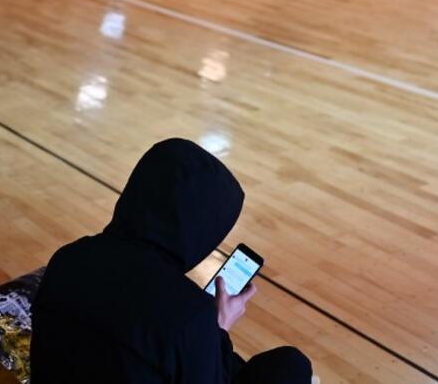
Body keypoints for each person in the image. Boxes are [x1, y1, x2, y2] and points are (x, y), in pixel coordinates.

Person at [31, 138, 312, 383]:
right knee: (290, 366)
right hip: (185, 339)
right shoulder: (189, 315)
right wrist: (218, 330)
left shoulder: (70, 257)